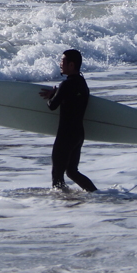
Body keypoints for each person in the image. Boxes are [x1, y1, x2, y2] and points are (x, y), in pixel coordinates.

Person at [39, 49, 98, 192]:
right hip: (78, 135)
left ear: (71, 65)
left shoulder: (65, 85)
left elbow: (52, 106)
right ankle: (96, 194)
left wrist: (53, 95)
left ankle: (61, 207)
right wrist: (59, 93)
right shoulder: (83, 84)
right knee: (72, 171)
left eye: (62, 61)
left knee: (57, 176)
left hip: (65, 136)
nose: (60, 64)